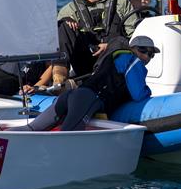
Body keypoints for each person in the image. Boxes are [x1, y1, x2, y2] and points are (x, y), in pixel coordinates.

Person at [10, 35, 156, 131]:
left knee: (31, 129)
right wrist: (149, 93)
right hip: (88, 100)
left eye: (152, 54)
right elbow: (139, 94)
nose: (148, 57)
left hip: (72, 96)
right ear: (134, 49)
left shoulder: (114, 56)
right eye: (145, 51)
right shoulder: (132, 59)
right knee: (67, 136)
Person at [55, 0, 137, 87]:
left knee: (120, 40)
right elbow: (59, 43)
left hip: (112, 61)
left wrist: (110, 45)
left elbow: (134, 36)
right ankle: (59, 82)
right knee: (62, 25)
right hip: (85, 61)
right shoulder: (69, 10)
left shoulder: (121, 3)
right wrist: (66, 22)